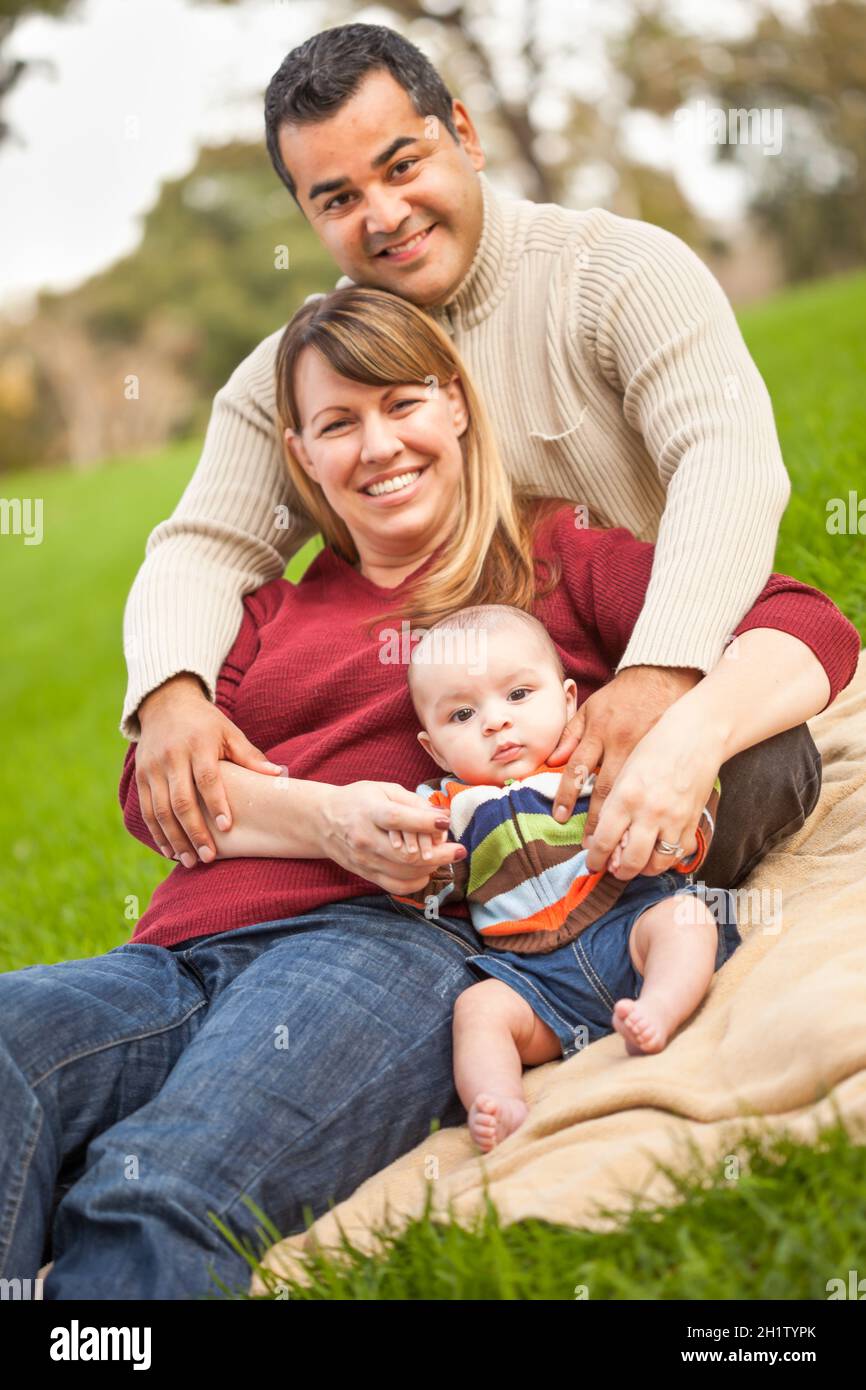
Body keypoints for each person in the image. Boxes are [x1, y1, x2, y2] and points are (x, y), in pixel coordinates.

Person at [2, 287, 858, 1301]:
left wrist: (682, 735)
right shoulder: (263, 611)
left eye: (400, 404)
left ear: (454, 404)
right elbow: (158, 801)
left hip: (376, 949)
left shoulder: (550, 555)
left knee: (154, 1184)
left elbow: (809, 629)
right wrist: (330, 817)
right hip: (169, 961)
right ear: (300, 454)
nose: (376, 446)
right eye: (337, 423)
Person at [123, 22, 823, 892]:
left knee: (758, 765)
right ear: (306, 213)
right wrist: (170, 691)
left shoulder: (619, 273)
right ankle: (495, 926)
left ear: (465, 133)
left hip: (646, 648)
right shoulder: (300, 372)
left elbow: (727, 463)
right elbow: (205, 546)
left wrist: (659, 670)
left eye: (403, 165)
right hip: (469, 738)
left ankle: (589, 926)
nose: (384, 215)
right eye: (337, 198)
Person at [399, 604, 741, 1153]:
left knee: (685, 919)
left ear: (567, 701)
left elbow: (686, 794)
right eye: (461, 716)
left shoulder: (595, 765)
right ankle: (499, 1098)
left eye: (517, 696)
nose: (494, 721)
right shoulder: (448, 809)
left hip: (627, 923)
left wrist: (680, 831)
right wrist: (411, 856)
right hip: (534, 977)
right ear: (434, 748)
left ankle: (659, 1006)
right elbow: (430, 887)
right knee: (478, 1009)